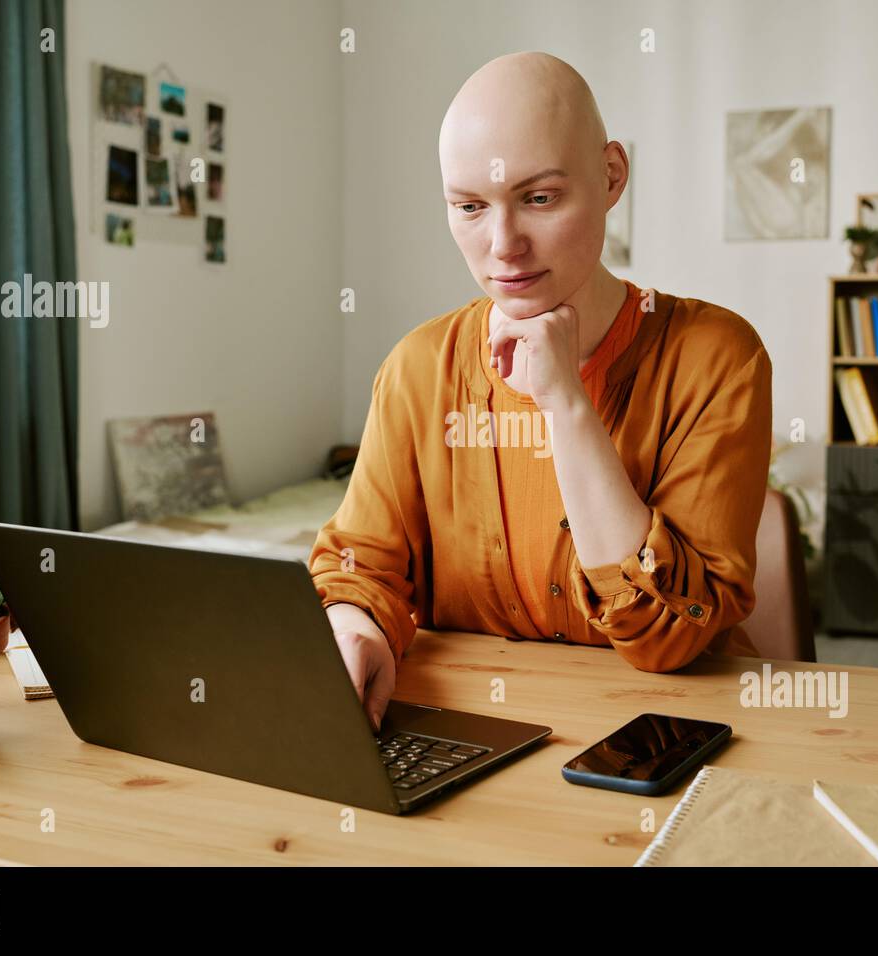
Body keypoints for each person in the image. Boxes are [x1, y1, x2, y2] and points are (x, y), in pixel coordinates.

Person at [310, 52, 772, 731]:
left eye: (539, 199)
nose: (503, 246)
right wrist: (356, 631)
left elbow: (670, 632)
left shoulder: (718, 356)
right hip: (478, 735)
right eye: (469, 207)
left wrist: (566, 404)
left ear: (611, 176)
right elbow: (358, 569)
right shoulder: (416, 368)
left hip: (673, 733)